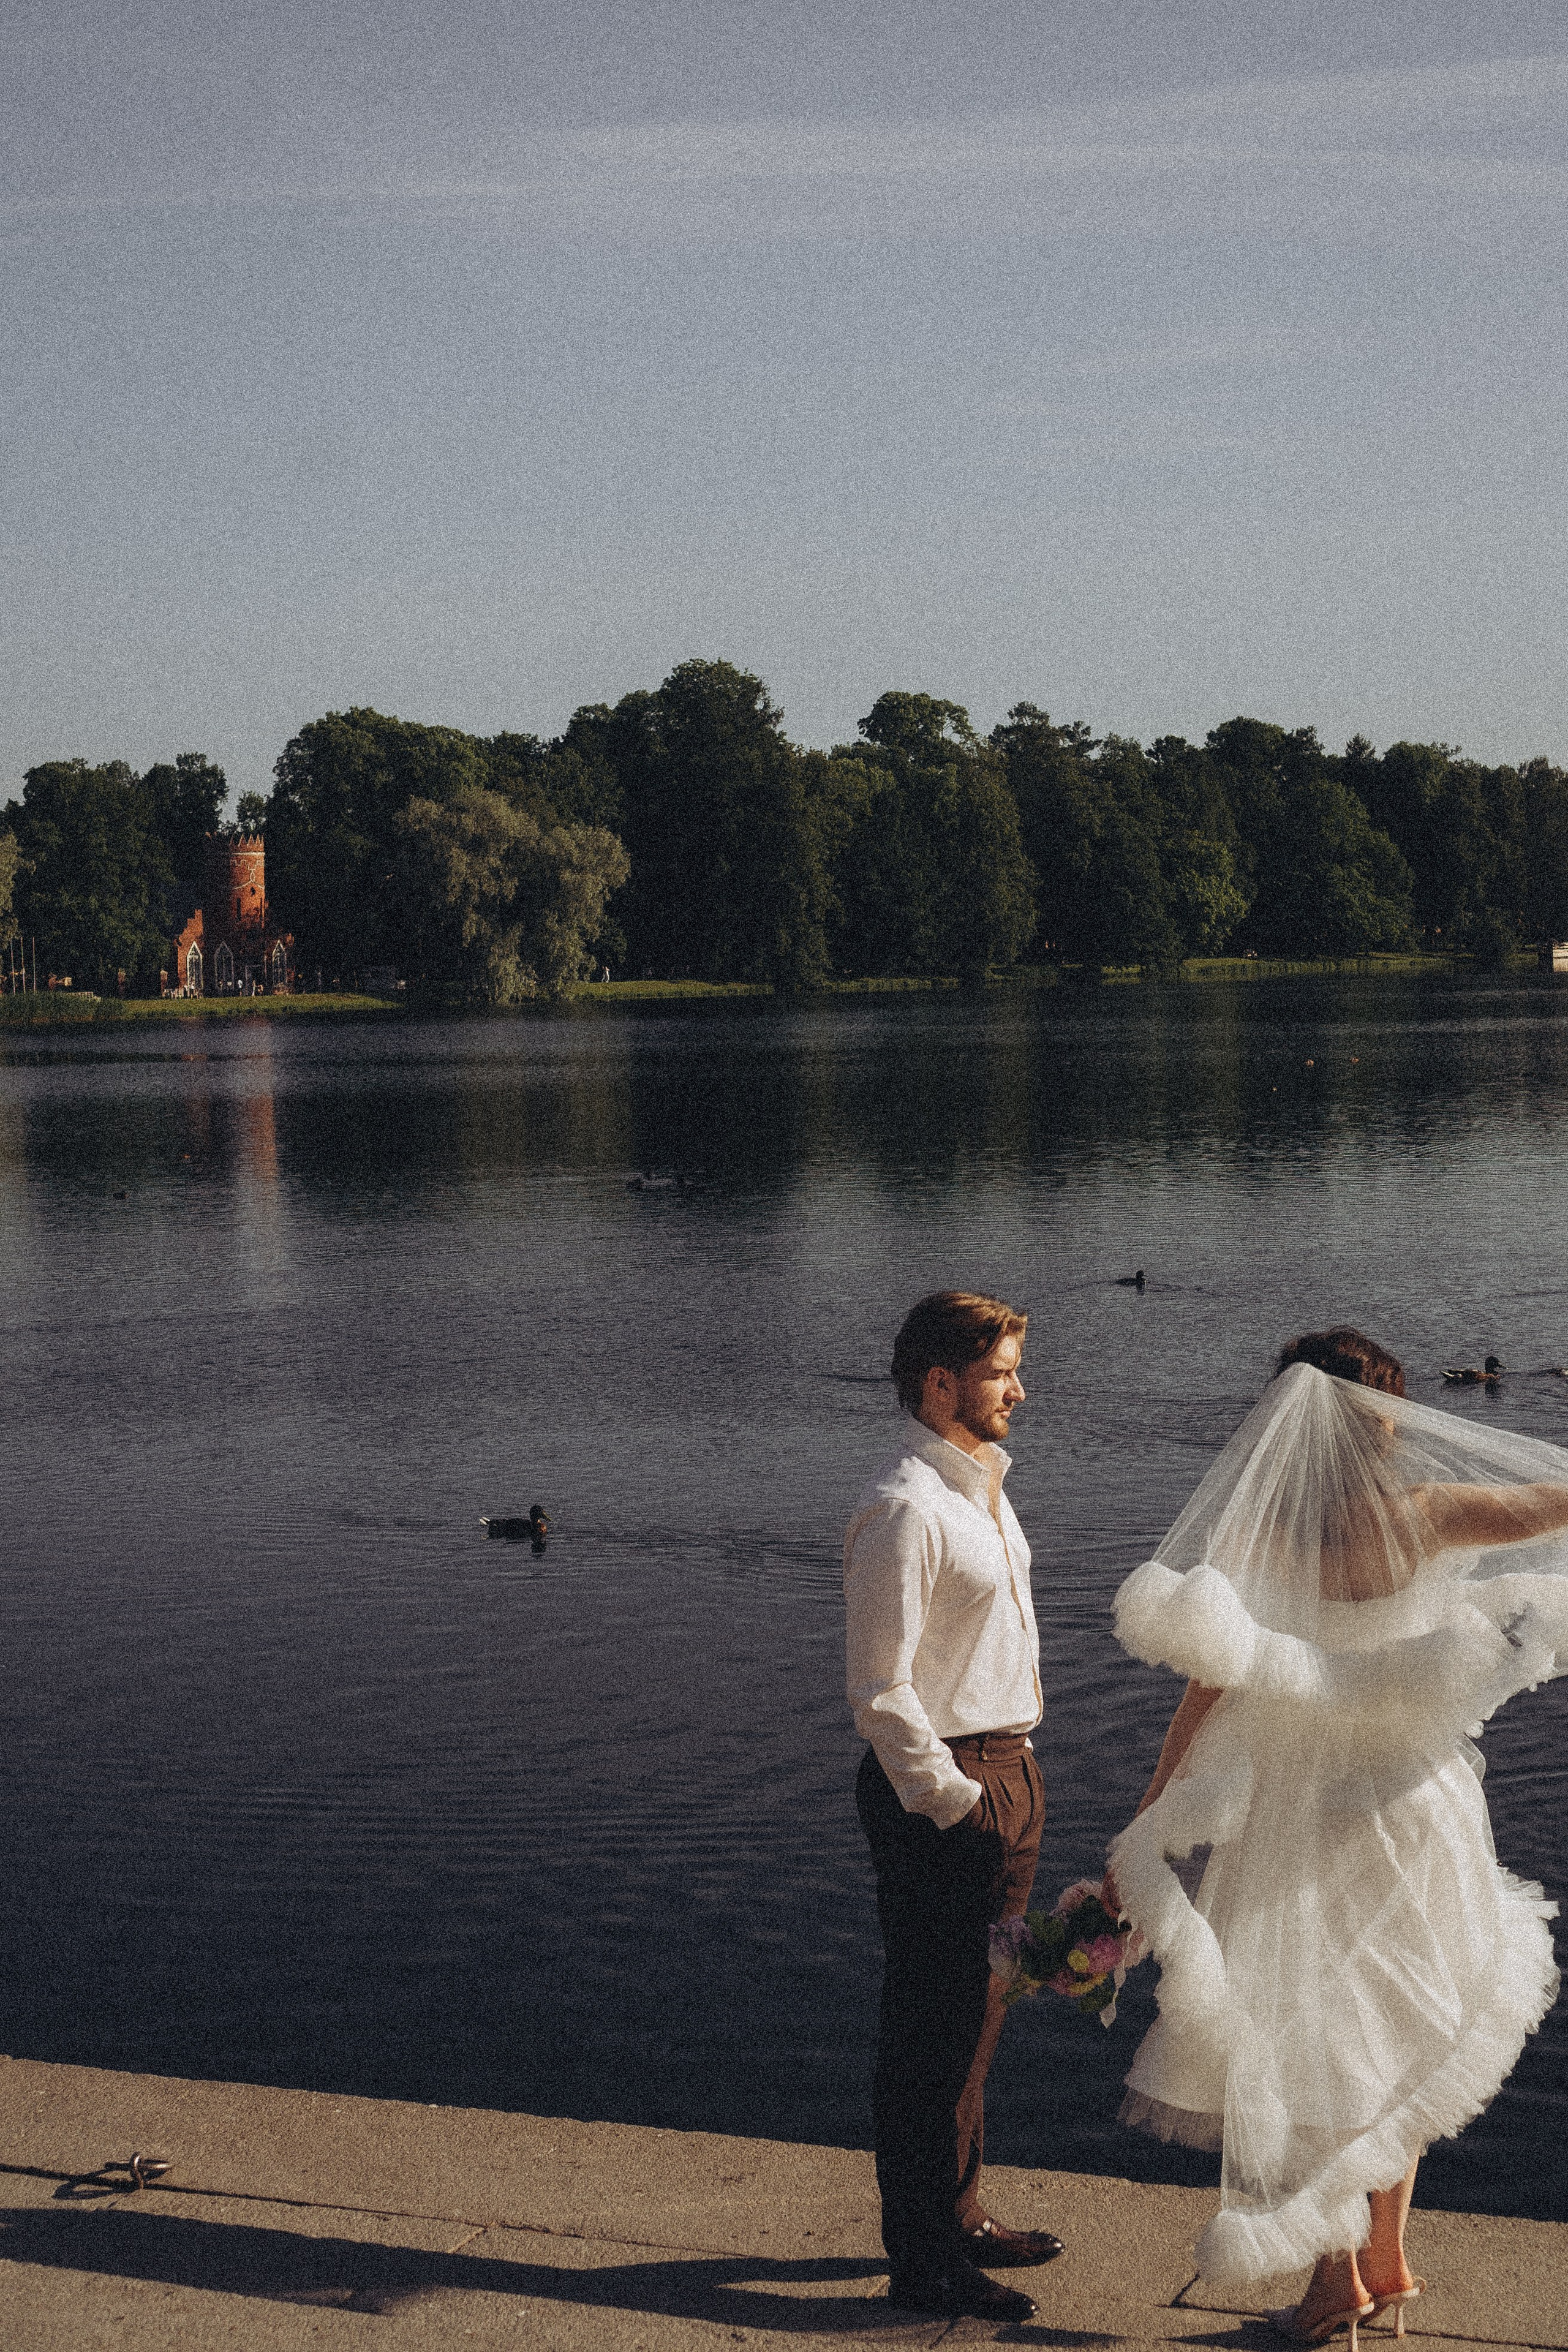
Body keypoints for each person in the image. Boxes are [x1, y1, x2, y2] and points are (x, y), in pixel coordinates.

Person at [1104, 1327, 1568, 2347]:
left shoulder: (1258, 1540)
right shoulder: (1433, 1516)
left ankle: (1338, 2282)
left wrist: (1152, 1817)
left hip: (1303, 1811)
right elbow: (1560, 1502)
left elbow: (1207, 1689)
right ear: (1386, 1420)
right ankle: (1386, 2258)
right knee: (1403, 2025)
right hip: (1416, 1801)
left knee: (1311, 2041)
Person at [845, 1290, 1064, 2324]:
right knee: (929, 2031)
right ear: (942, 1383)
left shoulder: (982, 1489)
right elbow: (881, 1692)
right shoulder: (907, 1507)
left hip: (1006, 1767)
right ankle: (922, 2260)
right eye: (1001, 1372)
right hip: (949, 1790)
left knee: (979, 2020)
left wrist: (1006, 1788)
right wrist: (959, 1804)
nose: (1019, 1389)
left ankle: (961, 2214)